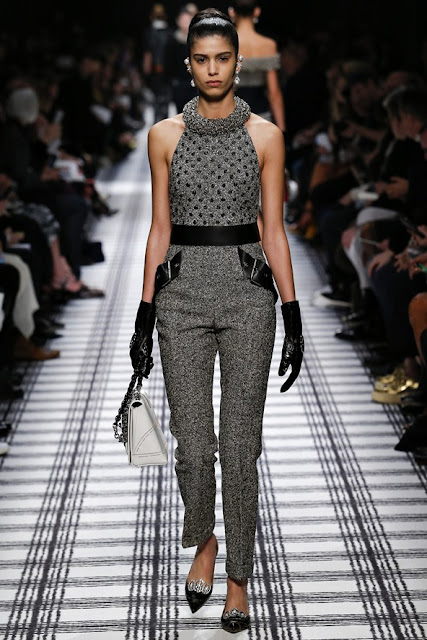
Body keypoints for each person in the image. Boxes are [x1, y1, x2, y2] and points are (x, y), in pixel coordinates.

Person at [129, 8, 304, 634]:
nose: (212, 69)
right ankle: (203, 539)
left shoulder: (266, 137)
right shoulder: (164, 136)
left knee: (240, 445)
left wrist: (293, 312)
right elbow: (160, 229)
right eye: (201, 59)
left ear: (238, 62)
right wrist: (144, 314)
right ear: (188, 64)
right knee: (194, 442)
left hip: (248, 297)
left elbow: (273, 231)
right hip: (180, 298)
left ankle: (238, 580)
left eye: (222, 59)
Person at [228, 0, 285, 132]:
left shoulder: (225, 43)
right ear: (257, 12)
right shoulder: (268, 45)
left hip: (230, 116)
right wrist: (281, 129)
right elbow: (274, 93)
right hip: (261, 117)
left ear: (232, 12)